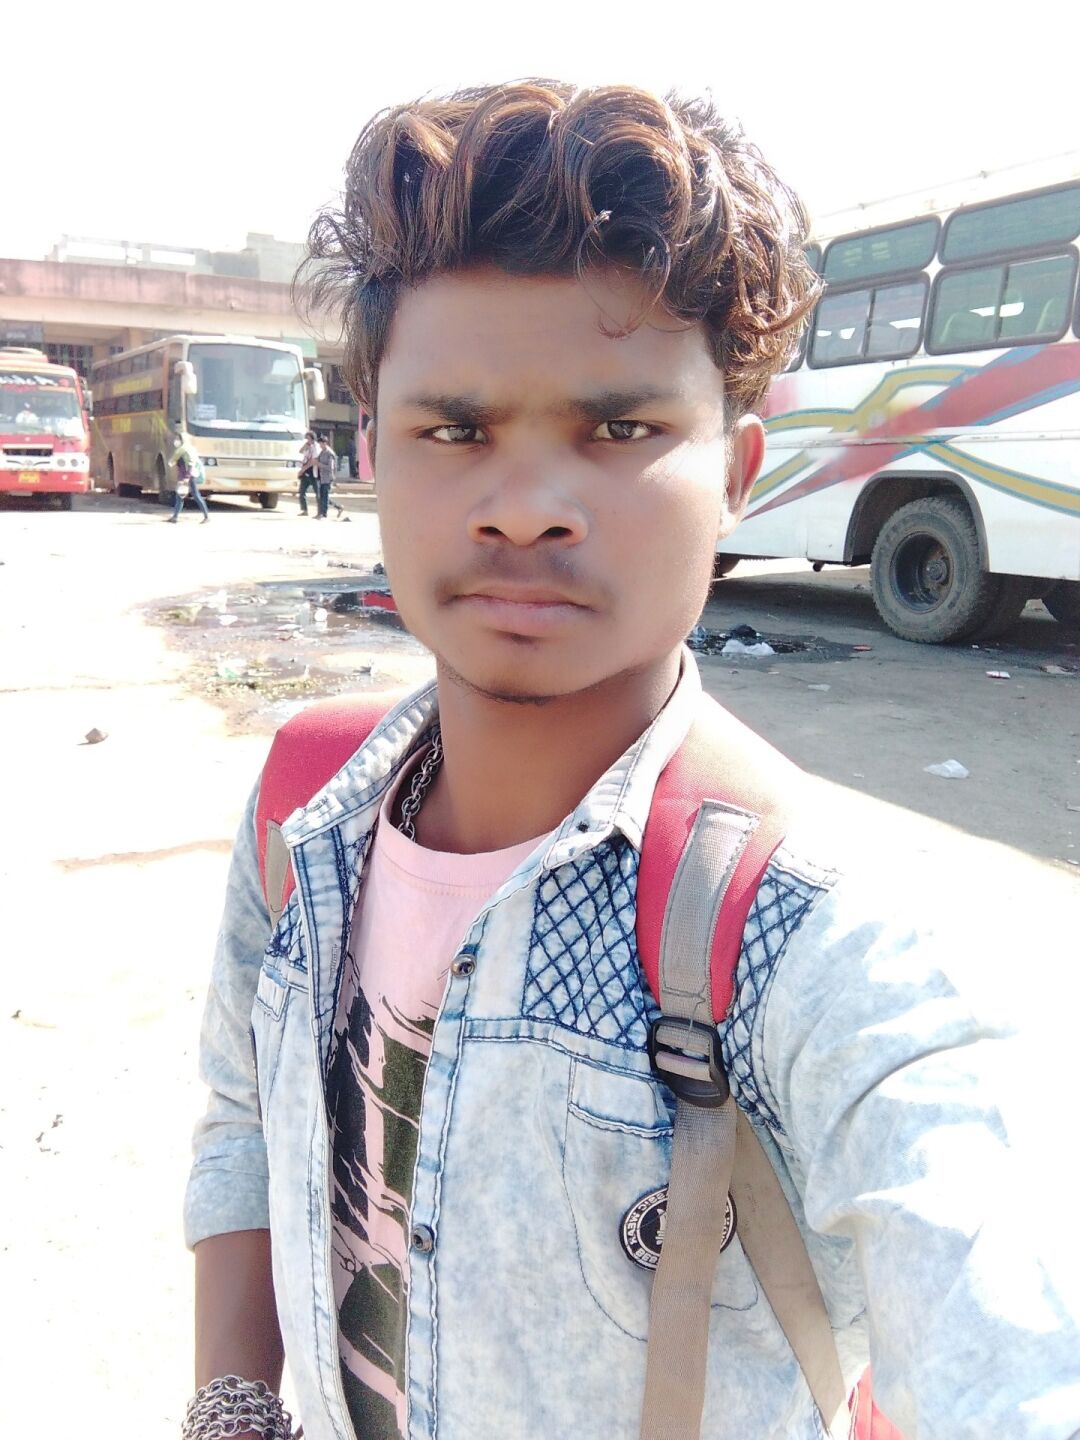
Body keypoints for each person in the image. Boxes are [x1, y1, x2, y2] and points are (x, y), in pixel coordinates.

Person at [184, 82, 1080, 1440]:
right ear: (372, 454)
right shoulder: (305, 810)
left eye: (618, 430)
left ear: (740, 473)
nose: (526, 508)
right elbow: (242, 1122)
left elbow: (1009, 1343)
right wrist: (232, 1407)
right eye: (455, 429)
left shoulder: (813, 943)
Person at [168, 429, 209, 523]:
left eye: (178, 439)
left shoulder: (182, 449)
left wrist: (186, 477)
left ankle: (206, 516)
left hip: (187, 476)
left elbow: (188, 463)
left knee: (192, 496)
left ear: (182, 439)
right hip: (188, 476)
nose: (176, 441)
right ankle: (175, 517)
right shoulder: (189, 448)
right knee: (181, 496)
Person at [314, 433, 343, 519]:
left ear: (325, 443)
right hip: (322, 477)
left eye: (321, 443)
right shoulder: (322, 452)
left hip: (328, 477)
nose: (320, 445)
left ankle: (324, 514)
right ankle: (338, 507)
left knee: (325, 496)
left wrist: (319, 464)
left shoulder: (329, 453)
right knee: (322, 496)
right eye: (319, 443)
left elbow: (330, 467)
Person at [297, 430, 318, 515]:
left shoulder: (315, 447)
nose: (307, 440)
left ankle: (335, 507)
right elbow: (300, 451)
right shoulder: (307, 446)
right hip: (306, 472)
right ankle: (304, 510)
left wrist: (303, 469)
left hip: (313, 472)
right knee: (302, 491)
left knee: (319, 494)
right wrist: (305, 445)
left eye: (308, 438)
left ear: (312, 438)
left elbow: (313, 461)